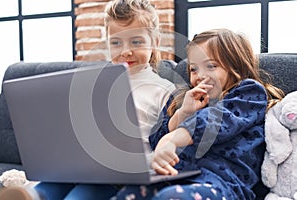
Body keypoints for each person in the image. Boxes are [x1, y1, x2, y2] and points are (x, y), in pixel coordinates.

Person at [0, 0, 175, 199]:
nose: (125, 50)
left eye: (136, 41)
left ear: (155, 42)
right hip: (81, 165)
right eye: (116, 42)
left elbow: (166, 140)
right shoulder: (95, 83)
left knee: (78, 196)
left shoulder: (164, 89)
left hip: (121, 175)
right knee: (43, 190)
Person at [107, 29, 285, 199]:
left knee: (172, 196)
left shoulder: (249, 94)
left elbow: (216, 122)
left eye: (210, 66)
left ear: (235, 66)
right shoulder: (184, 99)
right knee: (132, 192)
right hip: (177, 176)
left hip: (222, 183)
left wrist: (174, 139)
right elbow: (156, 140)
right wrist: (183, 113)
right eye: (194, 69)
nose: (200, 75)